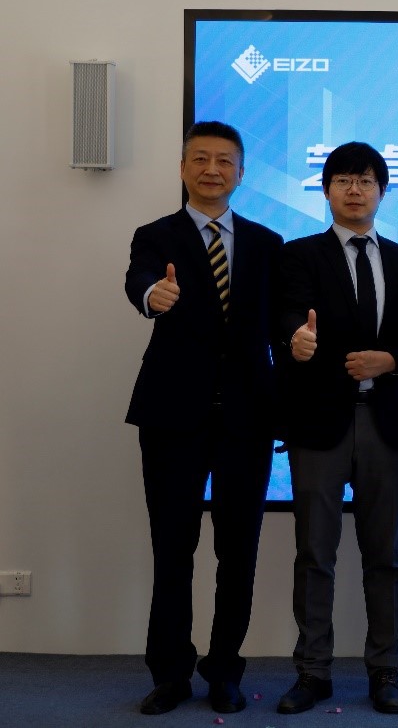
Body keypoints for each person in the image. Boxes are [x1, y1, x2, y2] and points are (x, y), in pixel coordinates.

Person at [124, 121, 282, 716]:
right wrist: (152, 297)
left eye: (224, 160)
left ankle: (224, 670)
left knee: (238, 553)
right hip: (172, 414)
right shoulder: (154, 235)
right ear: (183, 167)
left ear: (241, 172)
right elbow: (139, 282)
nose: (212, 169)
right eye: (200, 159)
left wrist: (295, 346)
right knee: (173, 548)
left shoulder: (268, 243)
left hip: (248, 416)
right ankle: (170, 672)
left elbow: (279, 322)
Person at [275, 141, 398, 716]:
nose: (354, 190)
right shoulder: (299, 256)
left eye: (365, 180)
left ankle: (385, 668)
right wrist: (295, 339)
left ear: (382, 191)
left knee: (383, 555)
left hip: (384, 423)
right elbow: (286, 316)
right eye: (342, 179)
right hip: (319, 422)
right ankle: (312, 671)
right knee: (314, 553)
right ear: (326, 190)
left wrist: (393, 360)